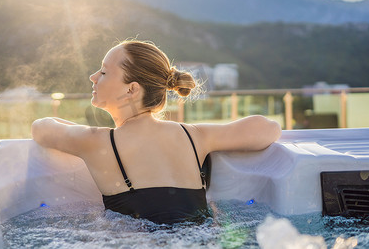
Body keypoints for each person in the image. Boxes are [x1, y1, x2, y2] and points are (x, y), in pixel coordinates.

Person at [31, 40, 282, 224]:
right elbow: (267, 128)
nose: (93, 76)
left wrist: (87, 133)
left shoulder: (96, 141)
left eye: (104, 72)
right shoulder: (193, 135)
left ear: (131, 90)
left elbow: (41, 128)